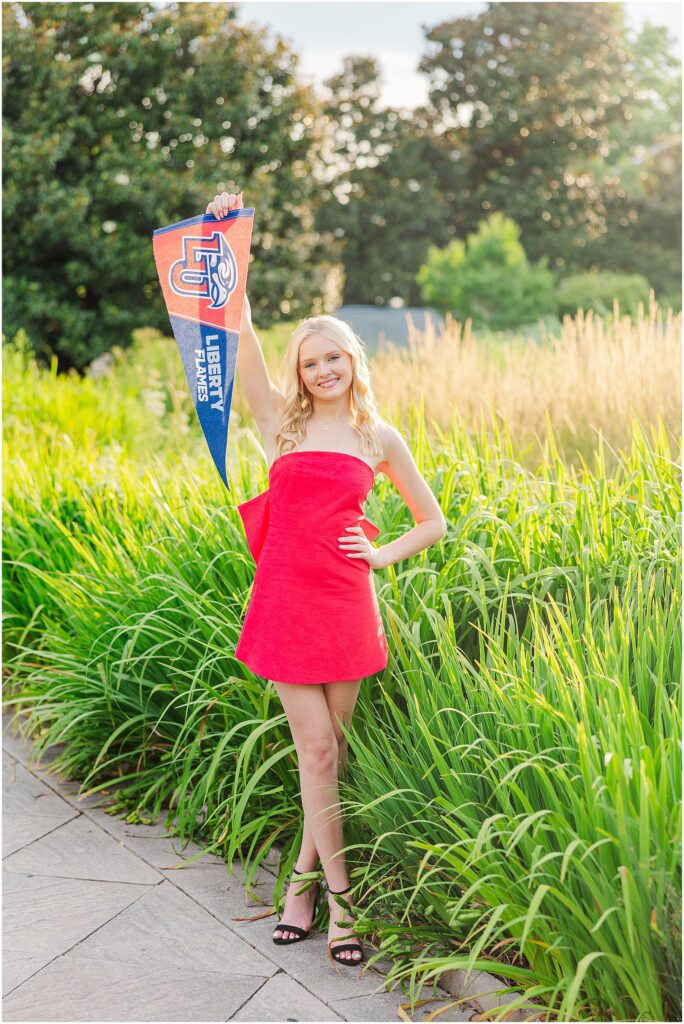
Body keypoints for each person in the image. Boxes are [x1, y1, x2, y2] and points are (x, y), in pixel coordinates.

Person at [205, 188, 447, 966]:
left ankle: (300, 883)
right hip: (282, 601)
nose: (323, 369)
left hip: (346, 602)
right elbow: (238, 336)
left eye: (333, 356)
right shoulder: (283, 422)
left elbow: (433, 520)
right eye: (310, 362)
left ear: (354, 358)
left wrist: (380, 555)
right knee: (315, 751)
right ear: (300, 373)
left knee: (329, 754)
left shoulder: (380, 436)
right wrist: (228, 241)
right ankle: (344, 907)